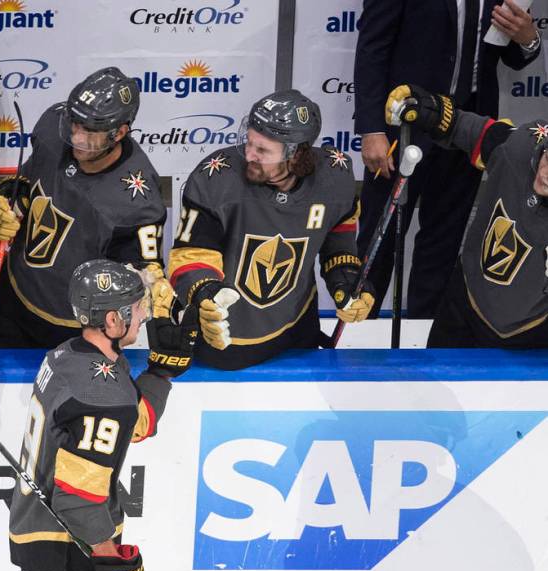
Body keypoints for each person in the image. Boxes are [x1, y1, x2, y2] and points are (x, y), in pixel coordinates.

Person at [8, 259, 197, 571]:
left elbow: (133, 423)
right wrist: (109, 560)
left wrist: (160, 373)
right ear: (112, 320)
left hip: (51, 535)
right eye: (137, 307)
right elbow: (77, 498)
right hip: (70, 548)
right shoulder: (99, 392)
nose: (143, 316)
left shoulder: (71, 356)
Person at [354, 0, 541, 318]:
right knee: (378, 238)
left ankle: (426, 340)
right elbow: (372, 49)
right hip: (404, 128)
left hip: (469, 132)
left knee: (443, 242)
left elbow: (510, 54)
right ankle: (354, 332)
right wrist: (371, 129)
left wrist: (528, 39)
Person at [167, 89, 372, 370]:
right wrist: (206, 297)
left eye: (262, 150)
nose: (249, 154)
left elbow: (339, 242)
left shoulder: (334, 177)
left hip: (298, 330)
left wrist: (346, 281)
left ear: (296, 154)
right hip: (226, 336)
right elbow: (192, 255)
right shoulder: (216, 177)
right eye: (249, 141)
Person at [0, 67, 168, 349]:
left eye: (91, 130)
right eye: (76, 123)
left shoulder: (138, 199)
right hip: (14, 298)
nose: (78, 137)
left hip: (75, 327)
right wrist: (10, 200)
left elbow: (143, 269)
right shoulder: (53, 126)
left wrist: (151, 293)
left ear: (119, 133)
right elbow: (32, 176)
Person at [384, 84, 548, 347]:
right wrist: (428, 107)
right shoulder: (520, 146)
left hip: (532, 329)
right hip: (466, 303)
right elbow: (466, 128)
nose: (545, 175)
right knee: (433, 381)